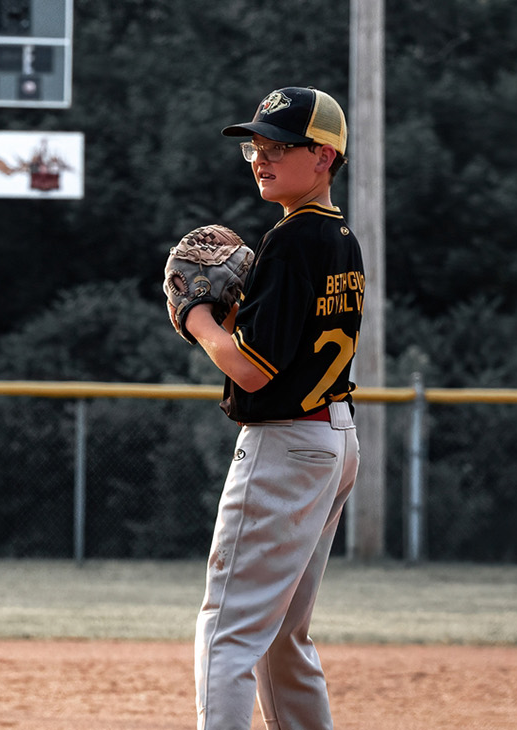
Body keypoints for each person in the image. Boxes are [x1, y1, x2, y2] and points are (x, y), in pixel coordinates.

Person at [180, 87, 366, 729]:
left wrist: (196, 317)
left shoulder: (290, 242)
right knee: (283, 638)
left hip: (285, 447)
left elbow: (251, 370)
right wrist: (237, 314)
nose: (262, 158)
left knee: (227, 631)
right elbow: (284, 347)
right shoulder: (339, 238)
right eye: (257, 147)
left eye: (279, 146)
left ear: (323, 155)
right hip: (331, 440)